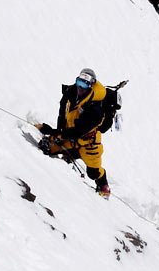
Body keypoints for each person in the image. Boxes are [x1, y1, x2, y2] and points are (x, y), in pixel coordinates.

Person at [37, 68, 111, 197]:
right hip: (70, 137)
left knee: (93, 173)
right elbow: (62, 113)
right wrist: (59, 131)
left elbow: (78, 131)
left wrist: (56, 134)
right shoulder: (70, 93)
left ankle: (103, 185)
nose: (80, 88)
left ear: (91, 86)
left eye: (84, 85)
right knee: (48, 148)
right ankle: (68, 158)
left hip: (89, 144)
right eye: (79, 83)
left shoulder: (96, 110)